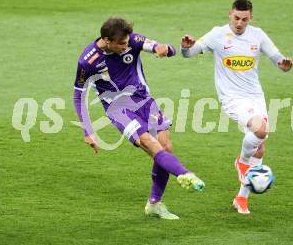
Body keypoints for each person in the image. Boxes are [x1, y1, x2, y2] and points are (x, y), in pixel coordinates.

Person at [73, 17, 205, 220]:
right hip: (118, 108)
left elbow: (162, 48)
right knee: (149, 142)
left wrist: (165, 49)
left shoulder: (132, 40)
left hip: (144, 101)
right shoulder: (88, 60)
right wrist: (87, 130)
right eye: (122, 43)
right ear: (107, 40)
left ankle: (155, 204)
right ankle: (184, 174)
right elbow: (78, 94)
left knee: (165, 147)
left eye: (128, 42)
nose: (127, 46)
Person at [180, 0, 293, 214]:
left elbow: (278, 58)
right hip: (232, 98)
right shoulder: (217, 34)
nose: (240, 23)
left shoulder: (257, 35)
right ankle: (241, 162)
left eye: (245, 19)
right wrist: (186, 48)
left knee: (259, 145)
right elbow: (189, 53)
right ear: (230, 14)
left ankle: (241, 198)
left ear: (251, 18)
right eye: (236, 18)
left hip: (255, 96)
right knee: (260, 130)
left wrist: (284, 65)